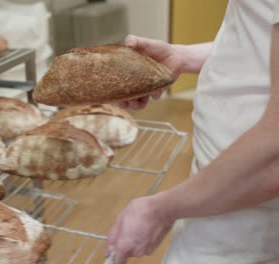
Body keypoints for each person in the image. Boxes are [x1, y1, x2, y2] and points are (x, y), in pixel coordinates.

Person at [107, 1, 279, 263]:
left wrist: (161, 210)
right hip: (221, 196)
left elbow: (273, 160)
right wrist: (184, 56)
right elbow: (257, 37)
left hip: (247, 217)